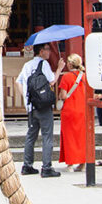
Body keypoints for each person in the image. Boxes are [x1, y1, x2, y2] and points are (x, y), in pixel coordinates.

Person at [17, 43, 64, 178]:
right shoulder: (44, 64)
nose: (49, 52)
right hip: (43, 107)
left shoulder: (27, 65)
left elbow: (18, 82)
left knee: (31, 136)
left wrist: (27, 98)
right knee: (47, 136)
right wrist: (60, 69)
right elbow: (52, 81)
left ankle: (27, 165)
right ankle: (46, 167)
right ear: (41, 51)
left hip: (31, 107)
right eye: (47, 49)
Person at [57, 53, 89, 172]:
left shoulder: (66, 77)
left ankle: (70, 163)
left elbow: (64, 95)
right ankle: (83, 162)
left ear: (70, 64)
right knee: (81, 137)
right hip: (82, 110)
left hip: (70, 110)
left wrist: (60, 95)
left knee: (69, 137)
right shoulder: (85, 77)